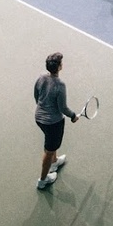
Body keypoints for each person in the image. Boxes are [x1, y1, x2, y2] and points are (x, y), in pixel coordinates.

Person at [33, 52, 78, 190]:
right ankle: (42, 180)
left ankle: (55, 162)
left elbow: (36, 94)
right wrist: (73, 116)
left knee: (51, 146)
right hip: (53, 123)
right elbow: (62, 108)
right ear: (59, 67)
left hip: (39, 118)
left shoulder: (41, 78)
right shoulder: (60, 85)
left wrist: (43, 108)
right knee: (49, 150)